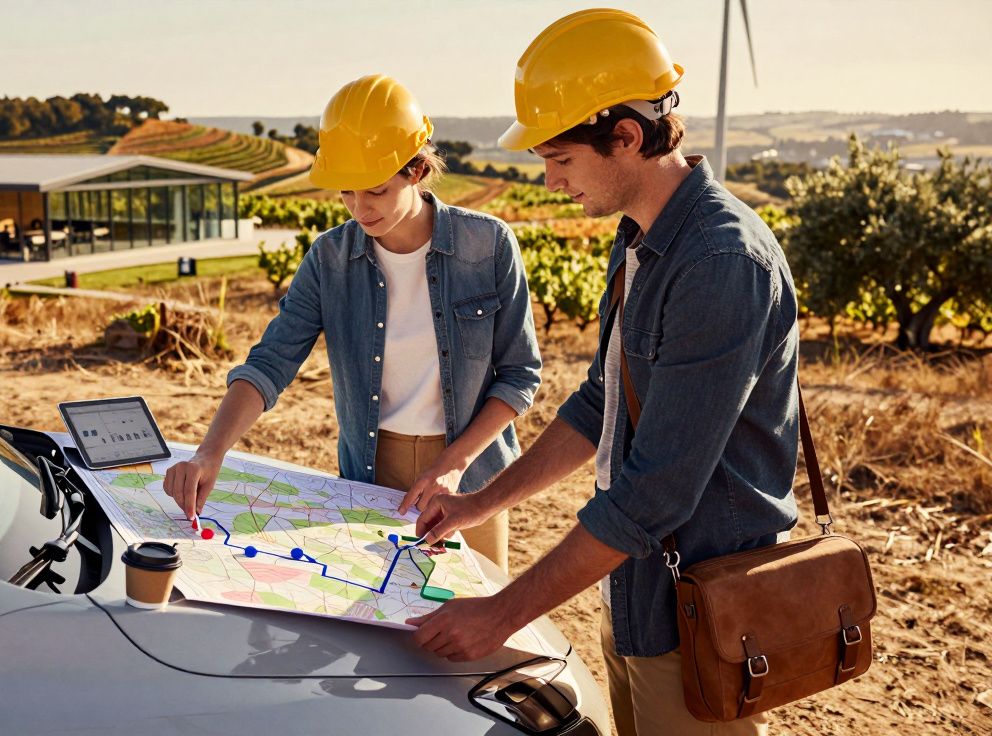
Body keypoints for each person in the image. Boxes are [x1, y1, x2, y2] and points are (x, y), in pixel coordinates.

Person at [407, 10, 798, 736]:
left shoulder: (719, 264)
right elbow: (600, 406)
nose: (551, 180)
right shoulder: (640, 240)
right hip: (635, 595)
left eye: (560, 158)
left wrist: (503, 613)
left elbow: (652, 496)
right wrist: (480, 503)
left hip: (701, 619)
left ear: (625, 136)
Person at [162, 74, 542, 572]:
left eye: (377, 191)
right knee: (378, 619)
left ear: (417, 170)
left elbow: (520, 375)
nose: (360, 209)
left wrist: (454, 464)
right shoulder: (329, 258)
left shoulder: (488, 245)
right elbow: (270, 363)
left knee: (475, 620)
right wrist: (210, 453)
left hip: (471, 472)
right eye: (347, 192)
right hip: (368, 469)